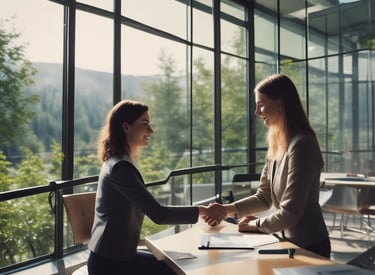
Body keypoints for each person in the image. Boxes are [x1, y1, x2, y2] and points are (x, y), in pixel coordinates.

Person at [87, 99, 225, 275]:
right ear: (126, 127)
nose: (150, 131)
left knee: (181, 263)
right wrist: (205, 211)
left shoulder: (122, 161)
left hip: (121, 257)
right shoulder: (120, 167)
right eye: (145, 124)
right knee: (179, 269)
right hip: (111, 265)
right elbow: (159, 214)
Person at [205, 73, 331, 258]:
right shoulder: (277, 143)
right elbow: (264, 197)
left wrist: (255, 225)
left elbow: (290, 213)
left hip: (309, 247)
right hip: (286, 243)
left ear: (280, 103)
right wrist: (226, 210)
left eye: (261, 104)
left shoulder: (303, 144)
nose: (256, 112)